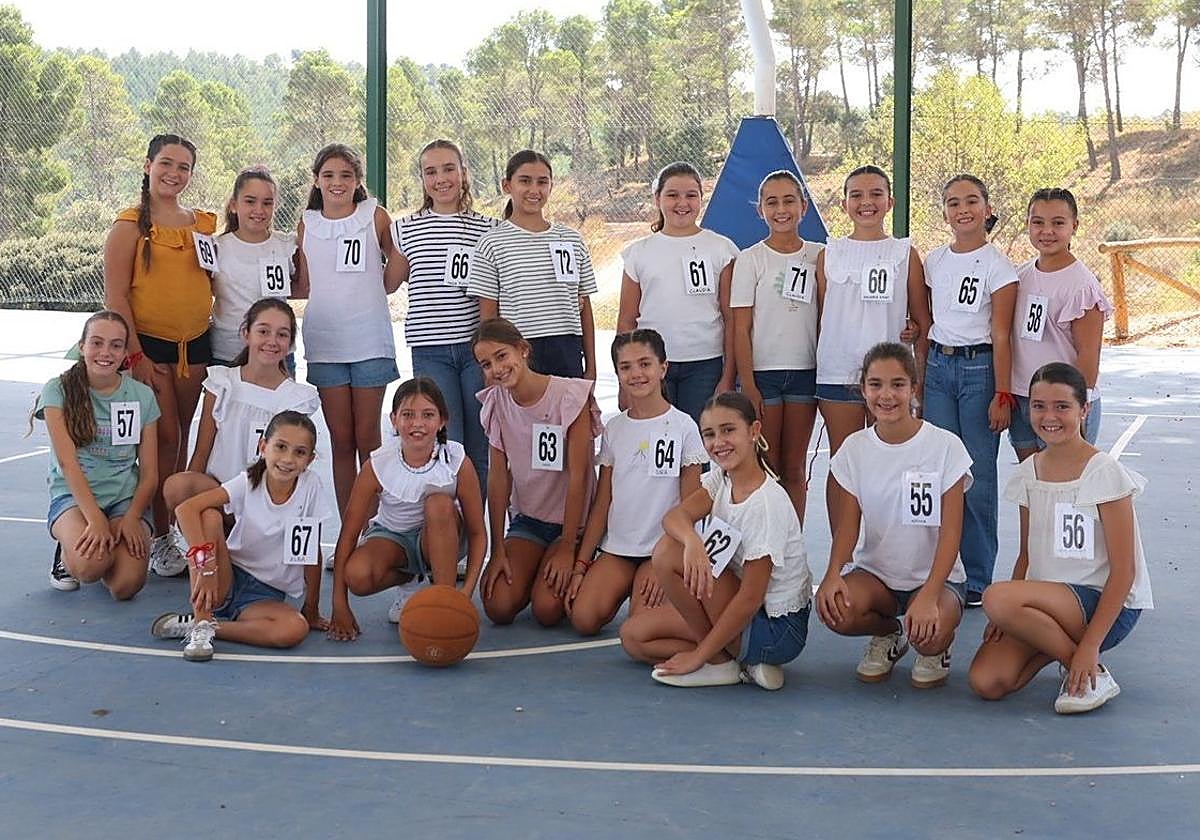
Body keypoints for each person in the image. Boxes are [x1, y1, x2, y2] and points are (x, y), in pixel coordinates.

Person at [968, 363, 1152, 714]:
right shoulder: (1028, 472)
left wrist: (1091, 645)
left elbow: (1124, 571)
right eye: (1039, 406)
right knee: (987, 681)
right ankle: (1070, 658)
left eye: (1062, 406)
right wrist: (1006, 615)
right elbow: (1026, 555)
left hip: (1104, 605)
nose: (1049, 416)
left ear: (1084, 410)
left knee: (996, 596)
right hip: (1045, 605)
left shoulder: (1104, 472)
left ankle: (1087, 666)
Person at [620, 392, 813, 691]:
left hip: (776, 630)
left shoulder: (765, 503)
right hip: (736, 606)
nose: (718, 442)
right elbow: (675, 517)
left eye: (728, 430)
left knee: (667, 553)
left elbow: (750, 597)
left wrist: (699, 655)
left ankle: (721, 662)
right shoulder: (722, 478)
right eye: (709, 434)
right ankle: (735, 662)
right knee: (634, 637)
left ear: (754, 431)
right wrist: (694, 543)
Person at [815, 343, 971, 689]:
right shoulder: (854, 449)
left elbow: (951, 533)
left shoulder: (945, 447)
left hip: (937, 579)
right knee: (835, 609)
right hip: (878, 577)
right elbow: (847, 528)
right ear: (863, 389)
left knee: (928, 638)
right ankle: (890, 634)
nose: (887, 395)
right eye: (876, 384)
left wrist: (930, 595)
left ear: (914, 388)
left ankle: (936, 648)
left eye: (898, 384)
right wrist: (832, 574)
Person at [103, 133, 213, 576]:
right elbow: (116, 297)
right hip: (151, 349)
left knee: (185, 441)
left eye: (184, 167)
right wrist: (136, 356)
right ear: (148, 165)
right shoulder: (128, 226)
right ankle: (161, 536)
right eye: (167, 163)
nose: (175, 173)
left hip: (197, 346)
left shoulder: (203, 224)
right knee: (163, 441)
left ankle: (178, 524)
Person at [153, 411, 333, 660]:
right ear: (263, 446)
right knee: (210, 517)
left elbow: (311, 551)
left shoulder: (310, 487)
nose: (288, 459)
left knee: (294, 629)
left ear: (310, 460)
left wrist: (311, 608)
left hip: (263, 596)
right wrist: (205, 567)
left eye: (299, 452)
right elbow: (186, 508)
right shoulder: (248, 481)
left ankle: (204, 627)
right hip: (224, 578)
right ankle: (202, 617)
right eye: (280, 447)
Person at [566, 329, 707, 636]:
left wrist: (669, 563)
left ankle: (654, 588)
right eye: (626, 367)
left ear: (663, 368)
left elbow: (691, 506)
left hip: (660, 549)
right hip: (619, 550)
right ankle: (623, 583)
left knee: (641, 626)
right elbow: (603, 503)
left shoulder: (684, 426)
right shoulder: (614, 429)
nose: (636, 374)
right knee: (583, 619)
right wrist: (582, 565)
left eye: (645, 364)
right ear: (617, 373)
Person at [815, 165, 931, 535]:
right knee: (844, 464)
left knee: (895, 464)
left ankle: (892, 553)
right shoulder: (828, 253)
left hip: (892, 379)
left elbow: (921, 320)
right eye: (857, 195)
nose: (867, 202)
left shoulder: (904, 253)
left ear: (890, 202)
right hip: (838, 371)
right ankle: (843, 555)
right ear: (845, 203)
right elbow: (821, 314)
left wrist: (920, 381)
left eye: (876, 194)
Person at [327, 378, 486, 640]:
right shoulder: (378, 463)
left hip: (444, 539)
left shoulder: (457, 459)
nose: (417, 423)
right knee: (357, 575)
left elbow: (479, 534)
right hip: (393, 540)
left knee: (438, 503)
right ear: (393, 419)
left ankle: (443, 600)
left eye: (428, 415)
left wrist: (465, 595)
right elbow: (349, 532)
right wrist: (339, 604)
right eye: (408, 415)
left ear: (442, 420)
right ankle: (411, 581)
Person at [921, 174, 1018, 606]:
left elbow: (1002, 333)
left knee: (977, 475)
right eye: (954, 202)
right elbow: (924, 321)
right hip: (939, 366)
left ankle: (978, 575)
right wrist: (921, 377)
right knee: (940, 470)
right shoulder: (934, 261)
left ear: (987, 208)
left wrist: (1003, 393)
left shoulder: (999, 267)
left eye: (972, 201)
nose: (963, 209)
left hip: (980, 371)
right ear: (944, 212)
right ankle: (941, 567)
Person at [292, 143, 402, 515]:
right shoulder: (307, 223)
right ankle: (350, 532)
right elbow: (304, 284)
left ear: (357, 181)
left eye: (345, 175)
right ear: (317, 180)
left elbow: (394, 272)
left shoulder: (375, 215)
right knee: (340, 442)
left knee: (368, 439)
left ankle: (377, 527)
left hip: (370, 341)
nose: (337, 183)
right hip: (325, 345)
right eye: (329, 175)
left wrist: (382, 280)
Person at [473, 318, 601, 626]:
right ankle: (531, 569)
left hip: (571, 526)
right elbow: (498, 477)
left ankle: (575, 563)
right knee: (497, 606)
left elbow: (579, 477)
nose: (497, 368)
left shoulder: (569, 396)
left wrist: (569, 548)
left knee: (547, 611)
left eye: (502, 356)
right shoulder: (495, 402)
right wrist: (499, 550)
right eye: (486, 364)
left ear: (523, 350)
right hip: (529, 522)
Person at [390, 139, 497, 497]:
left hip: (474, 352)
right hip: (430, 350)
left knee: (480, 443)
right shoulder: (405, 229)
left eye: (449, 169)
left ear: (463, 173)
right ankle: (448, 531)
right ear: (422, 179)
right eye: (430, 172)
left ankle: (476, 532)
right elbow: (389, 282)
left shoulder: (489, 228)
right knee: (447, 441)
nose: (441, 179)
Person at [33, 311, 158, 599]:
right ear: (82, 346)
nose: (105, 352)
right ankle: (67, 549)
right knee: (89, 566)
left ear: (126, 352)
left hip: (123, 498)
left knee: (125, 587)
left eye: (116, 345)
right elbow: (68, 462)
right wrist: (94, 519)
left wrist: (132, 517)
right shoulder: (58, 390)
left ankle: (108, 543)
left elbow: (150, 473)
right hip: (75, 497)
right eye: (97, 343)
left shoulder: (142, 396)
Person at [162, 298, 319, 513]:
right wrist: (189, 505)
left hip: (265, 502)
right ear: (246, 333)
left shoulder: (296, 399)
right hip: (218, 496)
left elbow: (293, 466)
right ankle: (202, 543)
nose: (272, 341)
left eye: (282, 334)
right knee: (177, 487)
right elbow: (201, 453)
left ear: (291, 343)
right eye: (263, 331)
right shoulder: (222, 382)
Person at [732, 170, 823, 524]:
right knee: (765, 467)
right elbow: (741, 328)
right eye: (772, 202)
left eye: (789, 201)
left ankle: (792, 552)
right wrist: (748, 384)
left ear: (803, 207)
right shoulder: (750, 259)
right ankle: (765, 546)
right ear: (760, 210)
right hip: (764, 376)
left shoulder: (819, 256)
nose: (781, 209)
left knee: (794, 468)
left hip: (805, 374)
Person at [617, 161, 738, 424]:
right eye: (672, 195)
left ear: (701, 199)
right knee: (658, 441)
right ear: (657, 198)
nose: (682, 202)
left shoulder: (721, 248)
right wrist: (623, 381)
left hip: (705, 364)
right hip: (650, 364)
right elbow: (626, 319)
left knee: (699, 445)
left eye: (691, 195)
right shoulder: (639, 253)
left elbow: (731, 318)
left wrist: (728, 376)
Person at [467, 150, 598, 380]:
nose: (534, 190)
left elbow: (584, 306)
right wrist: (492, 369)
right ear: (507, 185)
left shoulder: (571, 240)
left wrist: (592, 366)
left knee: (570, 416)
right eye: (525, 181)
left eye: (542, 182)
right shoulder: (491, 243)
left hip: (567, 350)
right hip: (518, 351)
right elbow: (488, 316)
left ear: (551, 186)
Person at [1009, 188, 1111, 460]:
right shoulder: (1020, 275)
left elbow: (1089, 355)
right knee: (1030, 484)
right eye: (1038, 222)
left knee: (1064, 488)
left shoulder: (1082, 286)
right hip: (1023, 398)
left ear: (1074, 226)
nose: (1047, 231)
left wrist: (1076, 407)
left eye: (1058, 223)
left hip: (1062, 403)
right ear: (1028, 224)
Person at [210, 166, 297, 368]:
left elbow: (302, 286)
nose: (259, 210)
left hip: (276, 353)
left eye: (267, 203)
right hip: (227, 352)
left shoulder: (288, 245)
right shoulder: (216, 247)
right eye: (250, 201)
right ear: (234, 205)